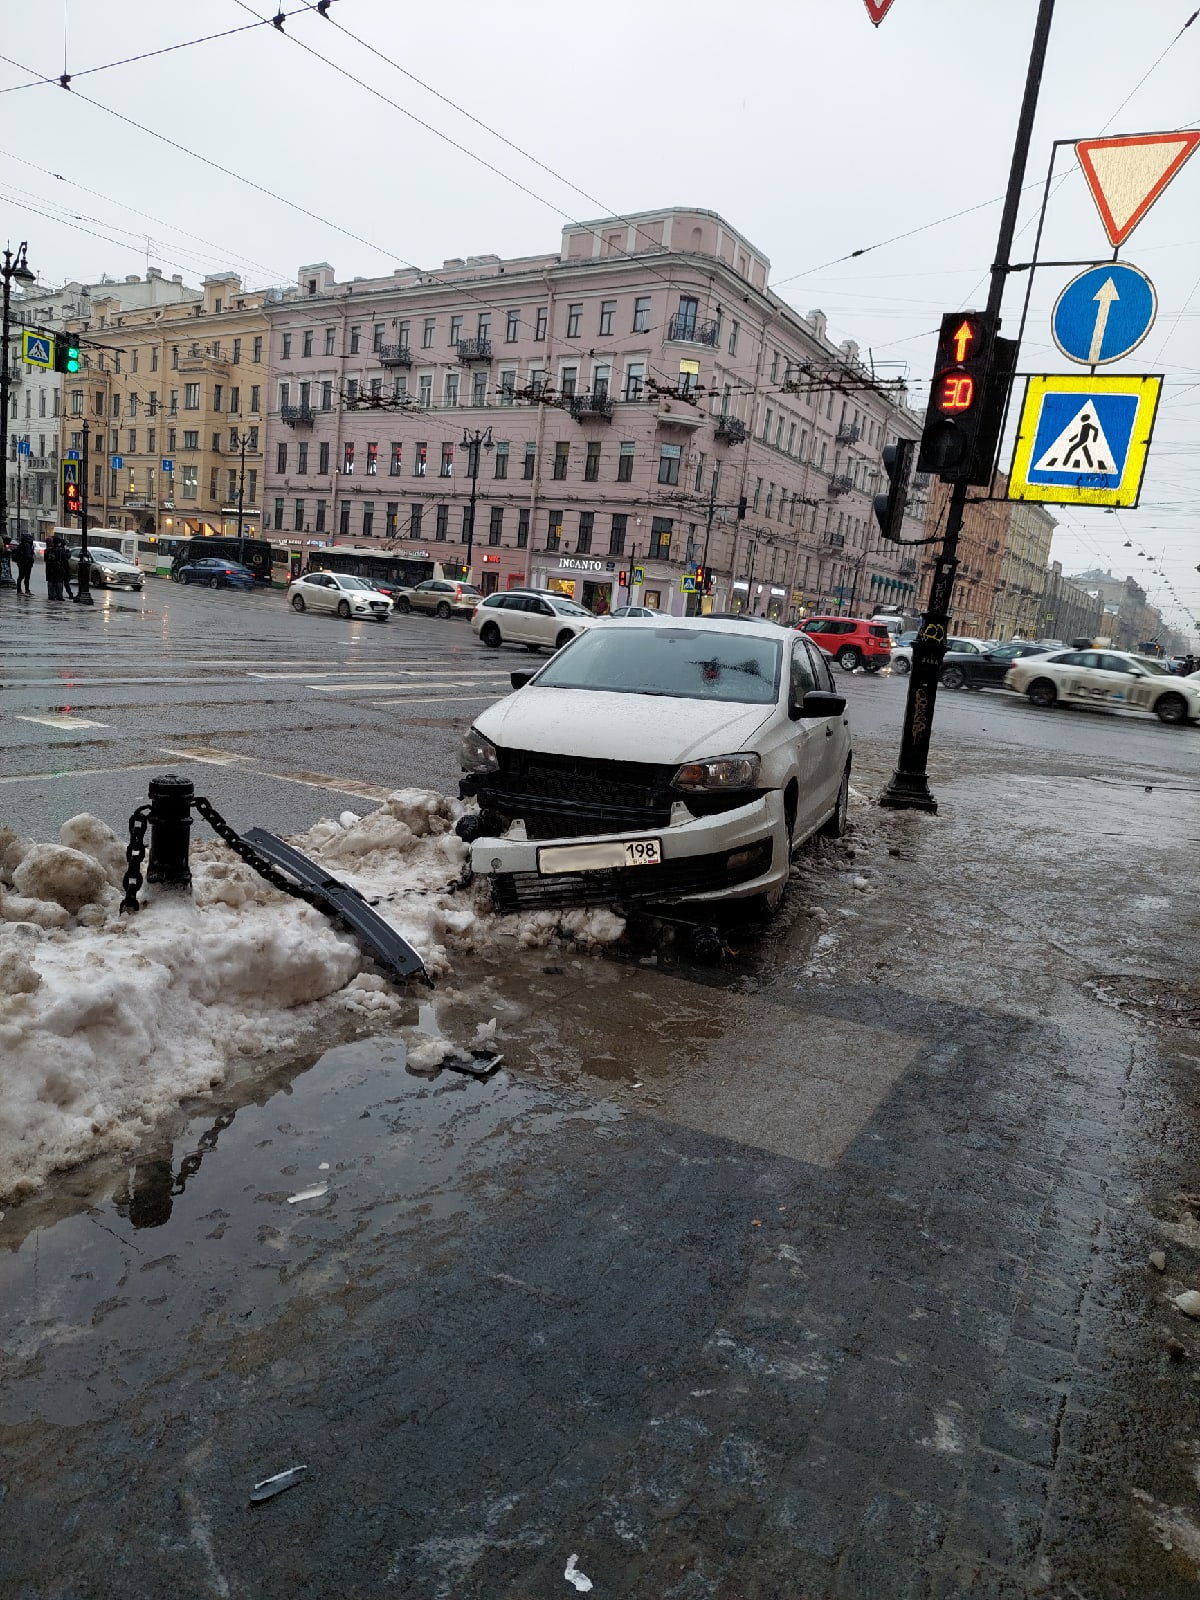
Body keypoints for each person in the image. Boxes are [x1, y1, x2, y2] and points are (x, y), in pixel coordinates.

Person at [15, 529, 34, 595]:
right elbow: (28, 555)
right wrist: (31, 559)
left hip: (21, 563)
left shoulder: (21, 545)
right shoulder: (28, 545)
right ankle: (27, 590)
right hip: (26, 563)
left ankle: (19, 589)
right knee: (26, 577)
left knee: (20, 576)